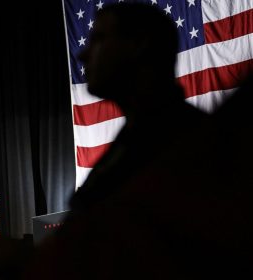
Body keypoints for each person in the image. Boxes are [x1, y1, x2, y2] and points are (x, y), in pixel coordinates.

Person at [19, 3, 212, 279]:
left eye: (99, 40)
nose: (83, 54)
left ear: (138, 46)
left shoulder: (189, 147)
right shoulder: (134, 143)